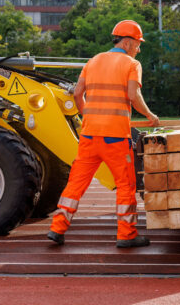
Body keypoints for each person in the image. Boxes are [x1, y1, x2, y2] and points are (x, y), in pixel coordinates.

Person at [48, 20, 159, 248]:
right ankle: (126, 235)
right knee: (126, 185)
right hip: (116, 137)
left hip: (89, 135)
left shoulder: (93, 61)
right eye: (138, 44)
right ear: (127, 43)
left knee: (76, 184)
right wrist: (151, 115)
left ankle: (57, 229)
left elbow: (78, 93)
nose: (139, 49)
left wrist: (87, 115)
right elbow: (133, 95)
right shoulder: (131, 64)